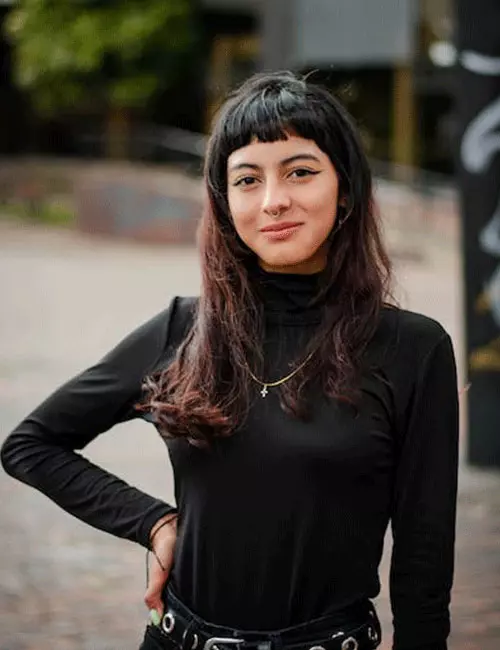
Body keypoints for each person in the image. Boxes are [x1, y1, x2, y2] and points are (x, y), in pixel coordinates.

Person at [1, 71, 459, 650]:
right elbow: (30, 446)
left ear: (345, 188)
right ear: (225, 202)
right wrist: (154, 523)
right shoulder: (182, 329)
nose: (274, 201)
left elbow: (424, 566)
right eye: (247, 179)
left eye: (300, 171)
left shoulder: (413, 349)